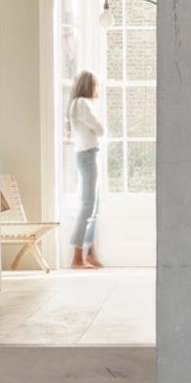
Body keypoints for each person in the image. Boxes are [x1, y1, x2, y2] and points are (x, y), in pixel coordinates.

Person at [67, 70, 105, 269]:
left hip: (89, 154)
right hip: (88, 155)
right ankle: (77, 257)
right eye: (96, 85)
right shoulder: (82, 103)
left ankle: (89, 252)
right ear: (88, 85)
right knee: (88, 205)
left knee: (94, 206)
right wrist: (97, 127)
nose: (97, 89)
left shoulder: (79, 104)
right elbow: (100, 128)